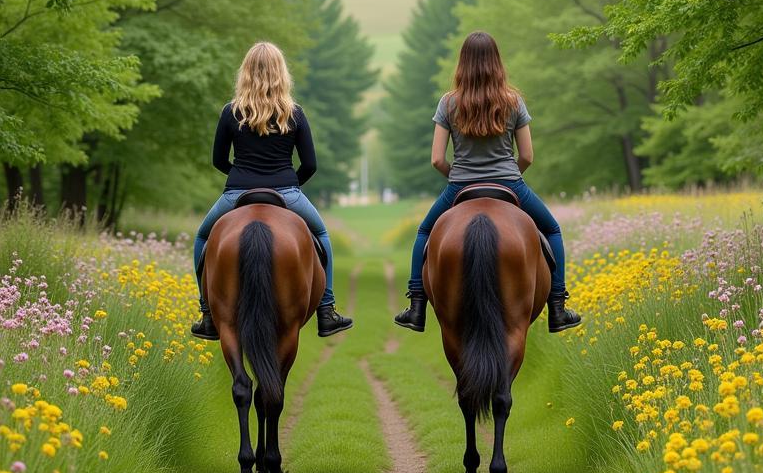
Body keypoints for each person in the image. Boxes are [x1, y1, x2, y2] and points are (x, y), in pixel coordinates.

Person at [393, 31, 581, 334]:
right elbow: (528, 155)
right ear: (497, 62)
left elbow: (437, 159)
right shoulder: (513, 101)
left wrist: (456, 175)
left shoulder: (448, 103)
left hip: (461, 184)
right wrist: (511, 175)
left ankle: (416, 305)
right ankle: (558, 306)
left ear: (462, 64)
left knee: (425, 232)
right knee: (552, 230)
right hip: (510, 182)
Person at [191, 42, 352, 341]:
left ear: (246, 72)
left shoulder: (231, 112)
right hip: (286, 191)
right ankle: (326, 310)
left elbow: (217, 160)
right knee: (323, 236)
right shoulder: (295, 113)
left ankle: (207, 314)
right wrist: (290, 185)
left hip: (236, 193)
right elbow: (311, 164)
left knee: (202, 237)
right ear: (281, 73)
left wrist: (240, 177)